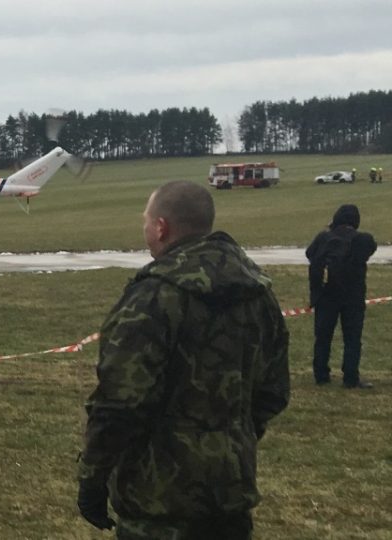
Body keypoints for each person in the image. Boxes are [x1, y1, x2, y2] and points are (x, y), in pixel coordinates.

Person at [77, 181, 291, 539]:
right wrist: (229, 440)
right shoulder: (257, 293)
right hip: (230, 492)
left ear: (161, 227)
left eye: (146, 220)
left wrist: (92, 477)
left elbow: (120, 402)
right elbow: (273, 391)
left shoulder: (153, 297)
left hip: (159, 501)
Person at [306, 204, 378, 388]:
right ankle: (351, 377)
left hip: (326, 293)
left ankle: (321, 375)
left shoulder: (324, 238)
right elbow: (370, 249)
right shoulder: (362, 240)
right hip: (353, 295)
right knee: (352, 338)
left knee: (323, 336)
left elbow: (310, 254)